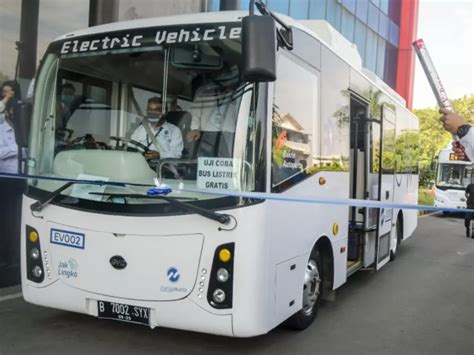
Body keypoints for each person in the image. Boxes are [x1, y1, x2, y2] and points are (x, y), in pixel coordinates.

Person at [130, 96, 183, 161]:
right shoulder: (141, 129)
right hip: (140, 164)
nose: (152, 113)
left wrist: (159, 155)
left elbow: (177, 154)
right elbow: (130, 146)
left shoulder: (174, 131)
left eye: (156, 110)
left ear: (165, 113)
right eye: (149, 110)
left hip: (161, 167)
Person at [0, 81, 21, 173]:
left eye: (10, 93)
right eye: (4, 92)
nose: (7, 95)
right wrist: (17, 149)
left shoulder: (23, 126)